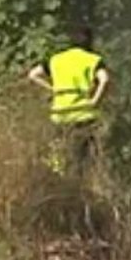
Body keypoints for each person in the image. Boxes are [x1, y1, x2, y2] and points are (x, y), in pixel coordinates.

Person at [27, 25, 110, 179]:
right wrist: (95, 101)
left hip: (59, 115)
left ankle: (58, 182)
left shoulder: (56, 59)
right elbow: (104, 80)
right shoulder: (92, 60)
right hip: (84, 114)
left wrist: (53, 89)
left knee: (58, 155)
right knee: (84, 158)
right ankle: (80, 185)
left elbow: (33, 75)